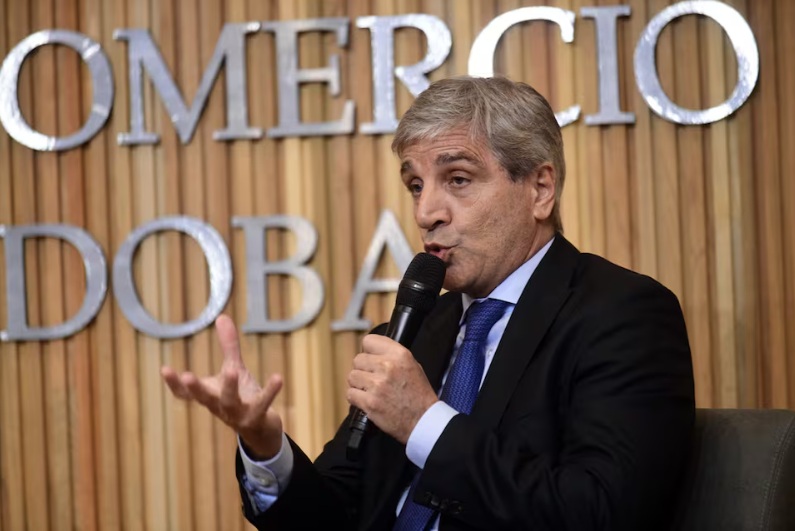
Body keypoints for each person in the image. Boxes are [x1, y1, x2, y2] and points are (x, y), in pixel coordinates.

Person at [161, 76, 695, 530]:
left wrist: (424, 422)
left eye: (457, 179)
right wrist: (265, 445)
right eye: (416, 185)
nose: (425, 212)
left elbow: (600, 512)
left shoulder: (622, 315)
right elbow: (334, 515)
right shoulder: (416, 332)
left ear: (539, 189)